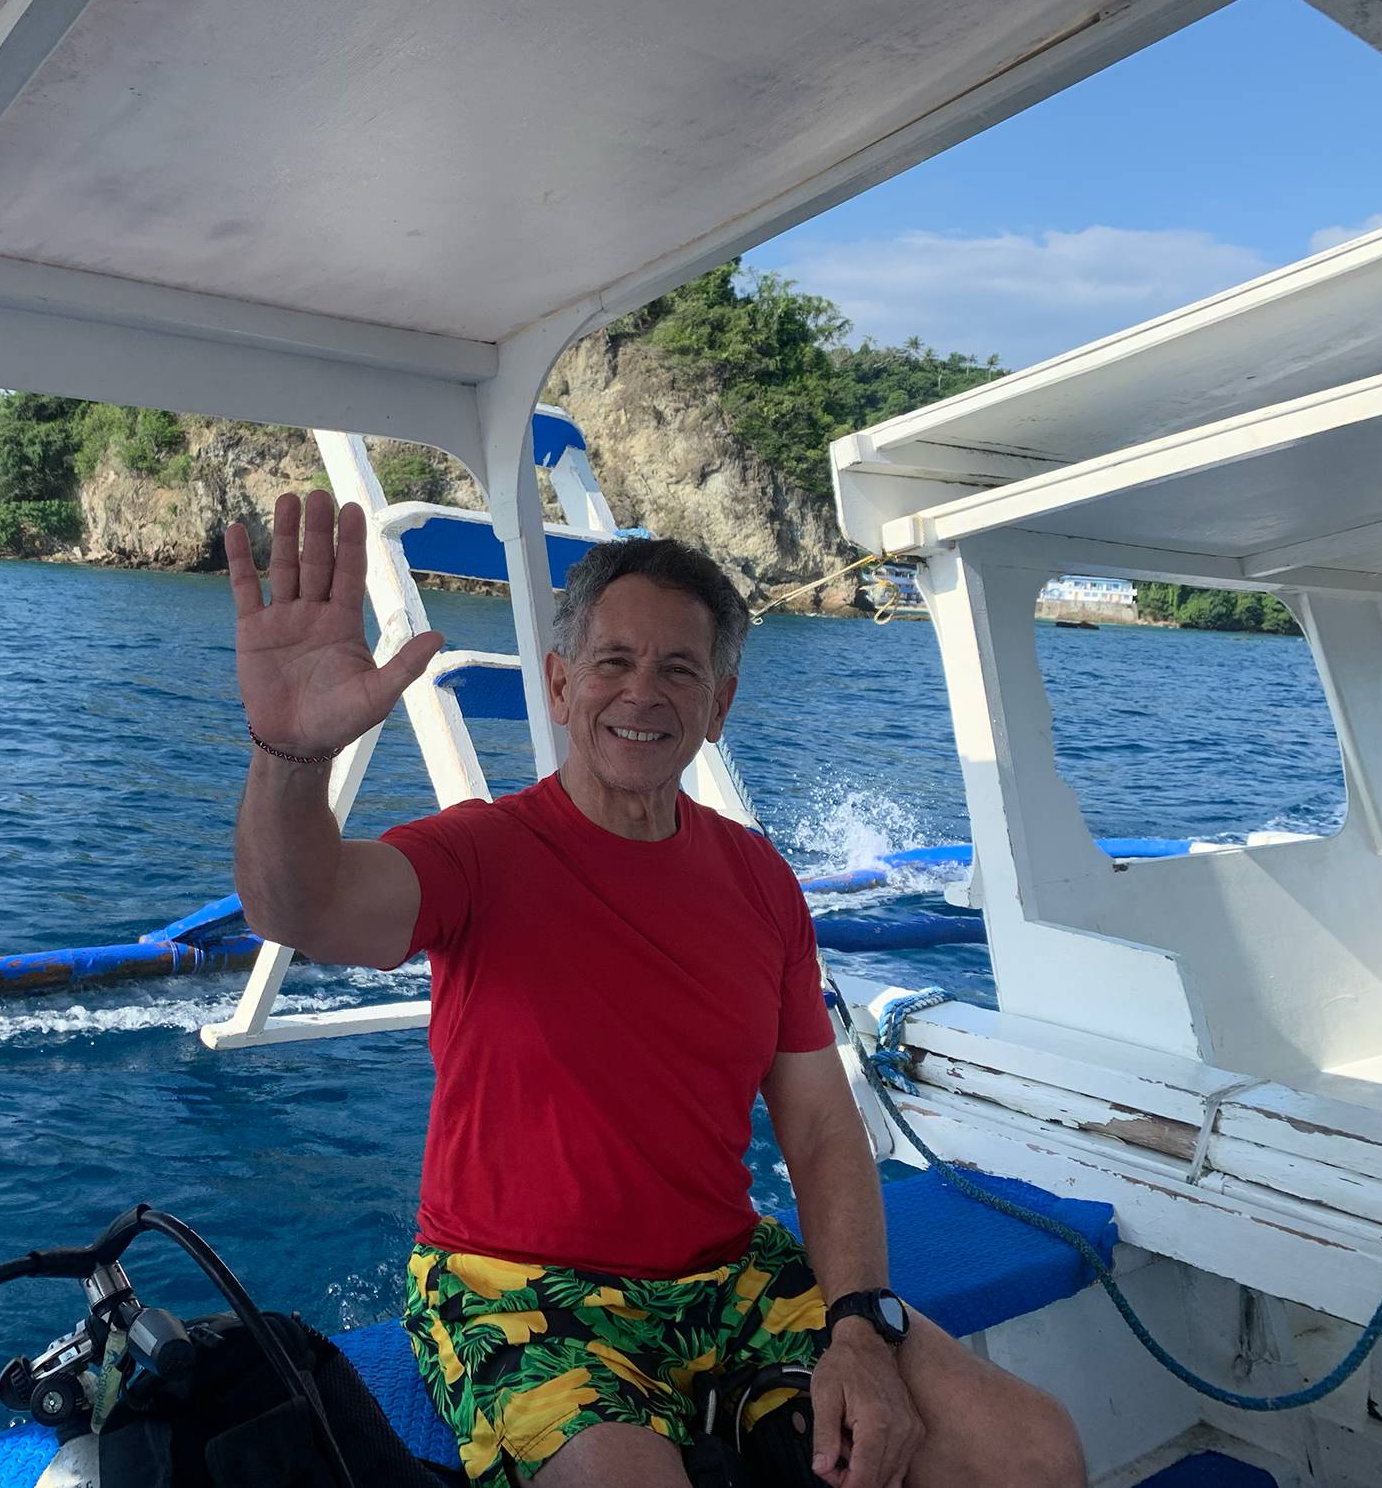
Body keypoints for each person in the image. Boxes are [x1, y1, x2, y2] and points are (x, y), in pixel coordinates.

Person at [226, 490, 1086, 1488]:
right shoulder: (480, 855)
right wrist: (291, 755)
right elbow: (301, 906)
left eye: (679, 669)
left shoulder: (758, 880)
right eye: (613, 662)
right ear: (560, 685)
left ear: (718, 706)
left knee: (1032, 1451)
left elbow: (818, 1125)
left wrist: (857, 1321)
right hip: (516, 1287)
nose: (642, 693)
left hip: (730, 1276)